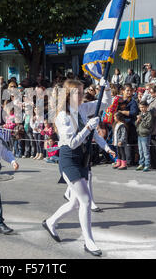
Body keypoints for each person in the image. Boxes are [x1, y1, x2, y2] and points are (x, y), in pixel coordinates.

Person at [42, 79, 115, 257]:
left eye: (83, 92)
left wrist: (104, 88)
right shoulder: (62, 116)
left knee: (75, 202)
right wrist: (88, 127)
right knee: (85, 201)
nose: (82, 96)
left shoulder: (81, 109)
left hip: (83, 159)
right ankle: (88, 241)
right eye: (79, 93)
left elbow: (104, 104)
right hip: (69, 159)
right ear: (69, 95)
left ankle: (50, 222)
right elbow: (73, 143)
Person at [136, 100, 152, 172]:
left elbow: (148, 125)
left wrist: (141, 119)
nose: (141, 109)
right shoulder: (140, 114)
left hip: (145, 134)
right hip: (139, 134)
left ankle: (147, 164)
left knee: (146, 150)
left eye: (143, 107)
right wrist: (137, 120)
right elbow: (136, 124)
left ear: (146, 107)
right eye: (140, 107)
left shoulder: (149, 115)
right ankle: (141, 163)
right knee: (140, 150)